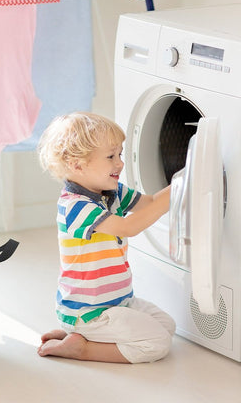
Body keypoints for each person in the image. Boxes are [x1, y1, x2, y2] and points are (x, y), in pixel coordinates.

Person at [37, 112, 175, 364]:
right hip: (89, 311)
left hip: (119, 301)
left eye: (119, 154)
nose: (120, 163)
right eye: (111, 156)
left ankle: (79, 335)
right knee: (157, 343)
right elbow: (127, 227)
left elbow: (150, 203)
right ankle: (81, 347)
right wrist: (178, 188)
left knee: (168, 326)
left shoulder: (111, 192)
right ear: (77, 165)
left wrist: (182, 182)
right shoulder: (75, 206)